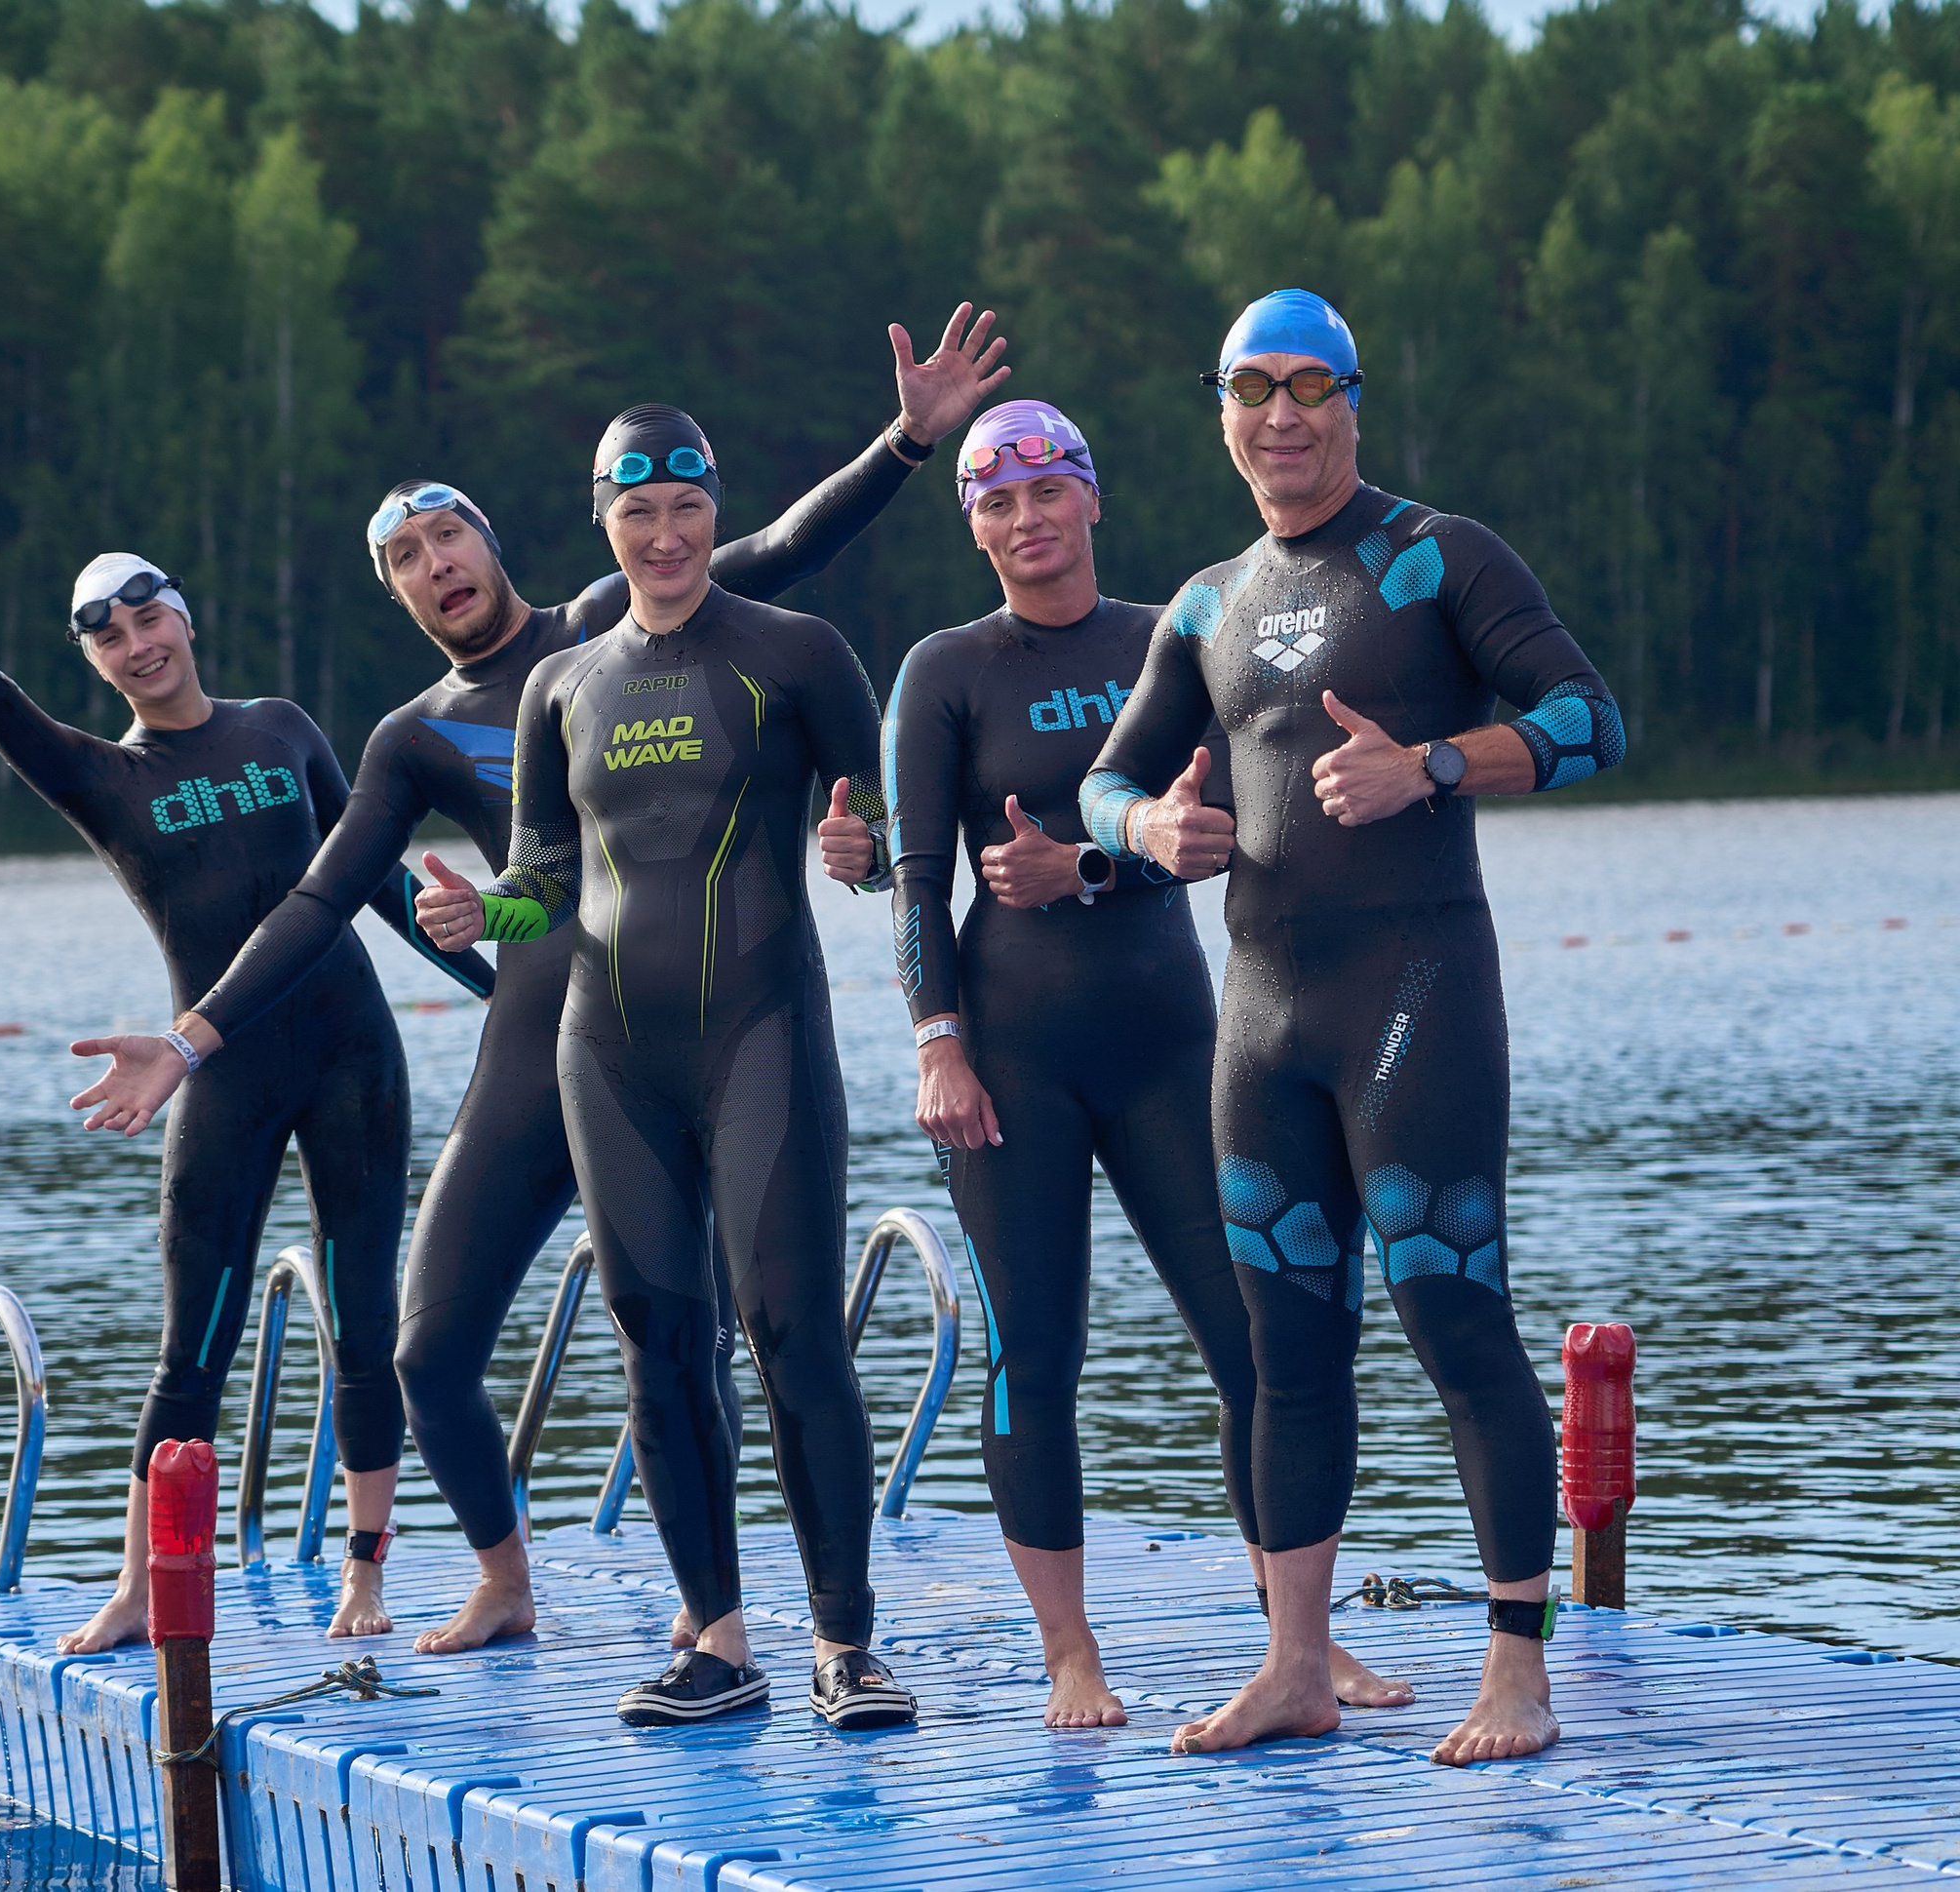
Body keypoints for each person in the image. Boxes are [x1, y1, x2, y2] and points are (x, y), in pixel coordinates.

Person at [71, 307, 1009, 1658]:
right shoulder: (413, 735)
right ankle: (510, 1577)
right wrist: (194, 1036)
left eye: (445, 534)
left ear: (494, 540)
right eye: (403, 557)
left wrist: (907, 443)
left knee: (717, 1330)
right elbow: (323, 895)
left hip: (717, 1017)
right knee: (428, 1350)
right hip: (548, 1042)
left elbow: (781, 549)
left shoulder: (613, 619)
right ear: (395, 593)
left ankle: (755, 1615)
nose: (433, 564)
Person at [0, 517, 492, 1653]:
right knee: (195, 1345)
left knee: (362, 1318)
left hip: (353, 1060)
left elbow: (374, 880)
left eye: (149, 618)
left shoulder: (282, 729)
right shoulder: (100, 775)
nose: (139, 644)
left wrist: (498, 989)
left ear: (185, 617)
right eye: (111, 636)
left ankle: (365, 1566)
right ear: (93, 660)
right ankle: (142, 1581)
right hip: (221, 1075)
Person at [1080, 290, 1625, 1764]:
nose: (1282, 415)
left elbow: (1590, 718)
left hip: (1415, 995)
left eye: (1310, 386)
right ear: (1222, 413)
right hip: (1260, 1019)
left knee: (1454, 1317)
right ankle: (1297, 1665)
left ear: (1353, 401)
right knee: (1287, 1347)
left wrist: (1432, 764)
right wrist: (1149, 830)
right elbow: (1102, 783)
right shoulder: (1205, 604)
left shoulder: (1437, 555)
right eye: (1253, 388)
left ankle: (1516, 1671)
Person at [865, 398, 1409, 1728]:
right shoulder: (945, 670)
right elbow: (917, 878)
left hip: (1174, 1041)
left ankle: (1301, 1642)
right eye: (998, 502)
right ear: (975, 527)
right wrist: (938, 1045)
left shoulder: (1175, 635)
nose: (1027, 519)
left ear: (1091, 499)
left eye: (1049, 490)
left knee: (1259, 1337)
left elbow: (1233, 829)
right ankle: (1070, 1652)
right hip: (1010, 1056)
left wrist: (1091, 867)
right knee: (1033, 1353)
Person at [412, 405, 916, 1731]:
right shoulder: (560, 686)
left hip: (762, 1035)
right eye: (637, 510)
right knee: (658, 1340)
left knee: (794, 1330)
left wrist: (865, 854)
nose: (666, 532)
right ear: (604, 521)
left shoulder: (796, 652)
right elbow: (542, 882)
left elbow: (887, 831)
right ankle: (720, 1644)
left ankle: (845, 1644)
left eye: (687, 504)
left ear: (713, 506)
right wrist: (478, 914)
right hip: (609, 1052)